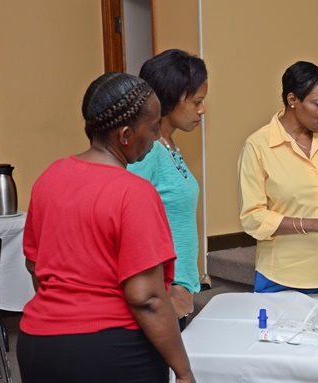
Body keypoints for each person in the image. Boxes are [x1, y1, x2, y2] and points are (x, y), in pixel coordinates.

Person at [18, 72, 195, 383]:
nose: (155, 138)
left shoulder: (51, 176)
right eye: (152, 129)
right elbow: (148, 297)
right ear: (125, 134)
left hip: (38, 344)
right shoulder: (134, 193)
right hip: (110, 352)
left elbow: (34, 263)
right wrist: (183, 371)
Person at [238, 61, 318, 294]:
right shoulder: (258, 146)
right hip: (283, 277)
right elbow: (253, 217)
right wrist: (315, 225)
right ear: (292, 100)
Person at [128, 49, 207, 330]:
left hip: (177, 289)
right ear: (171, 98)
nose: (202, 110)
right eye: (196, 101)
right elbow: (129, 229)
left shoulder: (168, 146)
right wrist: (165, 289)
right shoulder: (147, 154)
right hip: (162, 295)